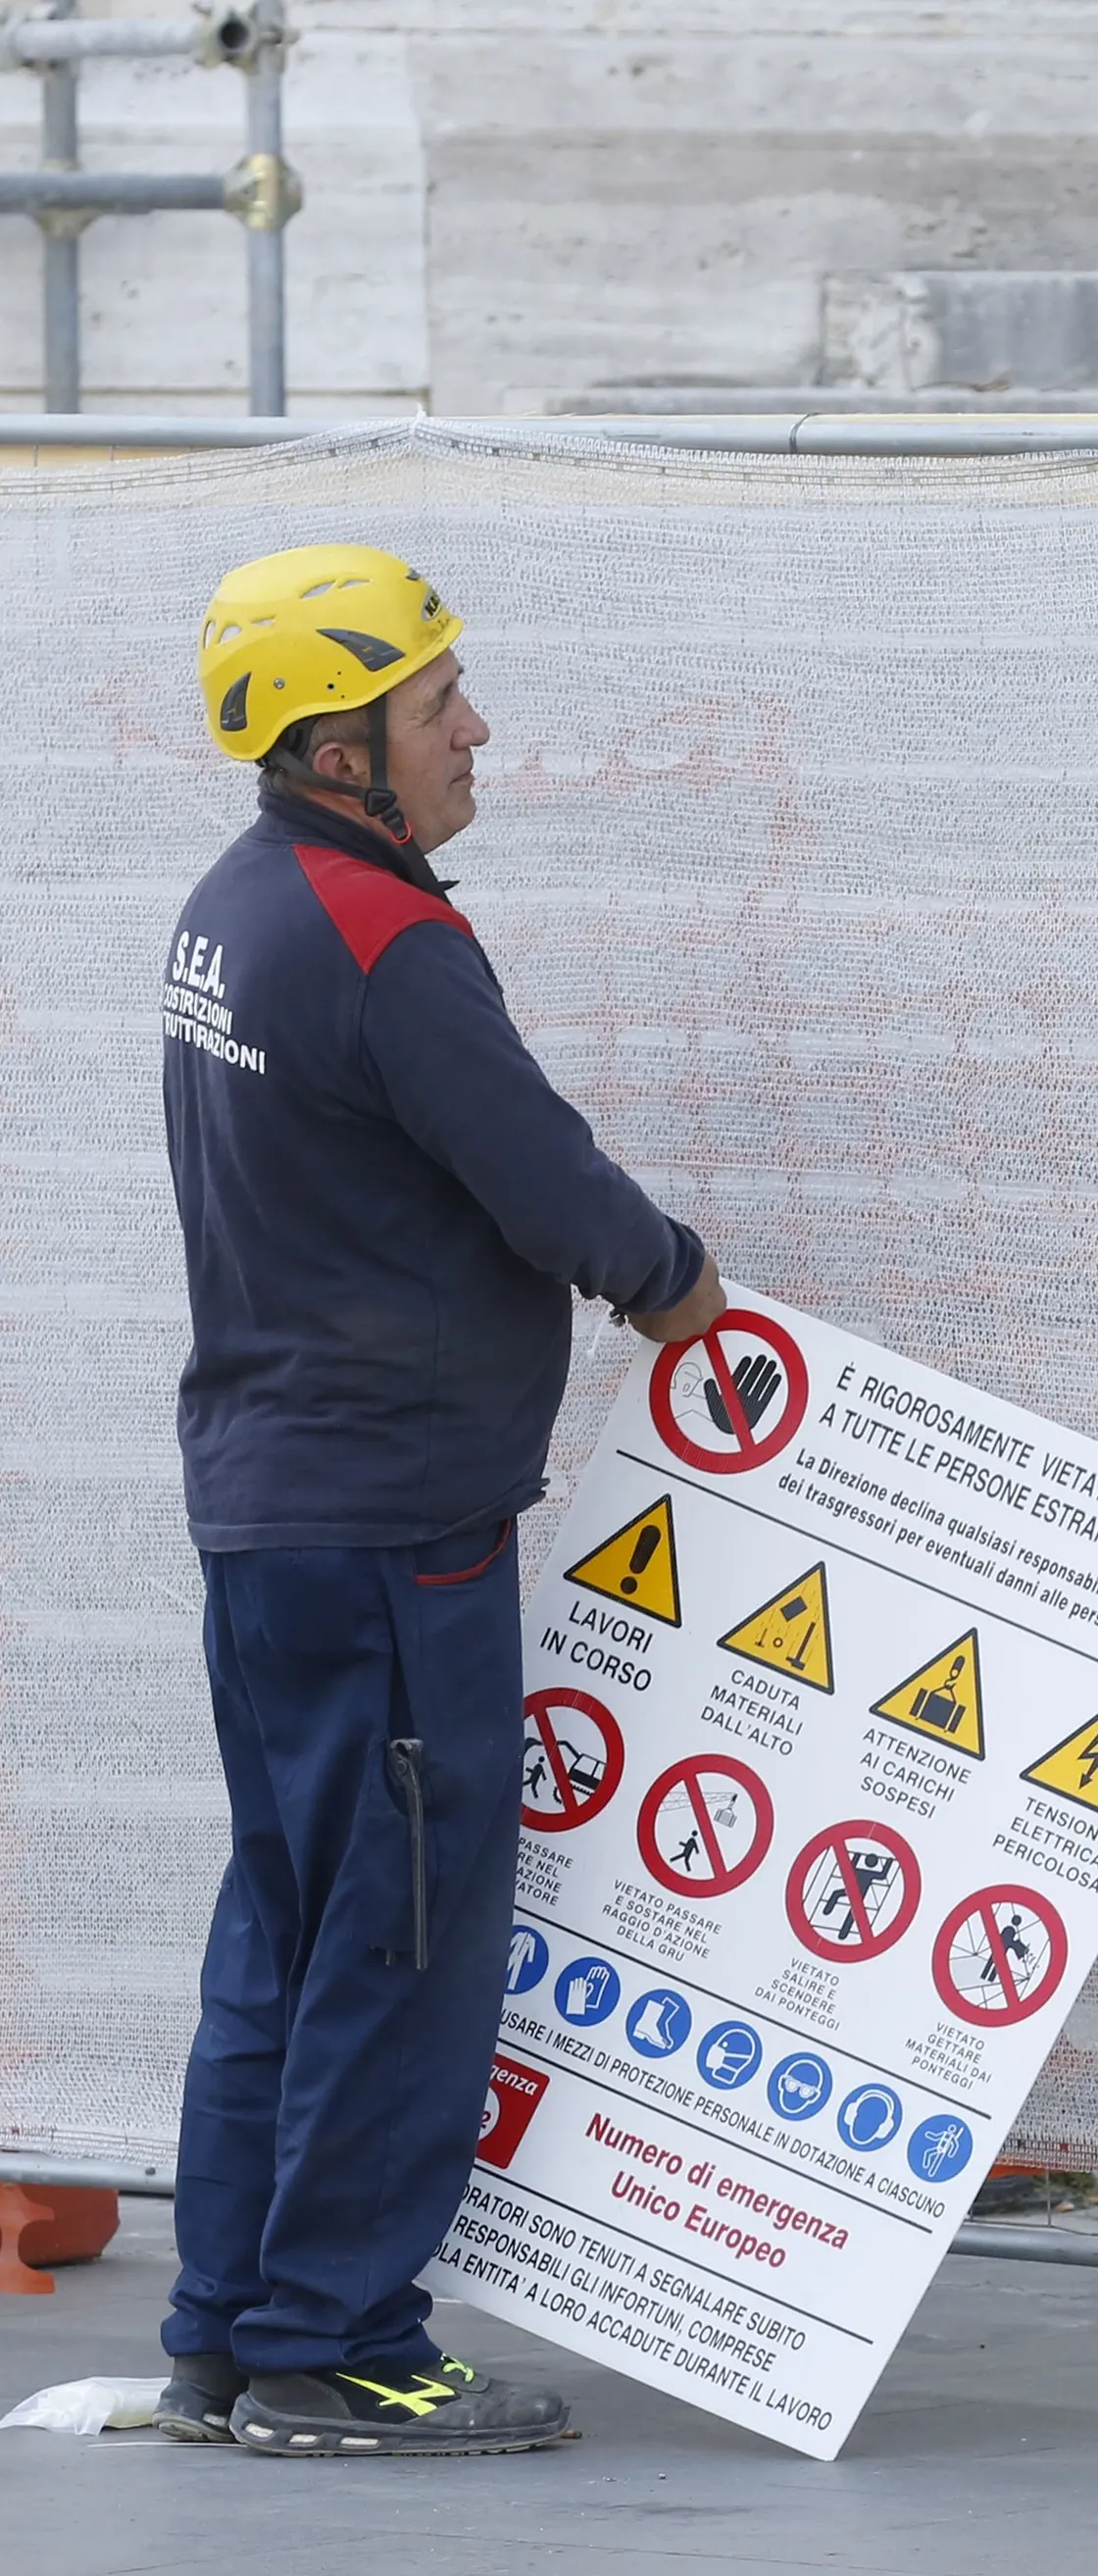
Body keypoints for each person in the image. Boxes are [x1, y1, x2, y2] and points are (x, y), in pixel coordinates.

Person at [154, 545, 727, 2456]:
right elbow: (540, 1176)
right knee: (402, 1930)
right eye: (434, 703)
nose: (473, 727)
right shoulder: (380, 939)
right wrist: (673, 1279)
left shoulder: (233, 911)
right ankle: (339, 2344)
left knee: (291, 1920)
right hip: (395, 1526)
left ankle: (228, 2327)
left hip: (270, 1510)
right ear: (341, 750)